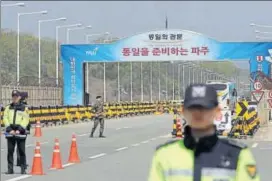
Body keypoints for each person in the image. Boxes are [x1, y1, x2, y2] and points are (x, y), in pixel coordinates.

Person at [148, 83, 260, 181]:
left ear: (217, 112)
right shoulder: (164, 155)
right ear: (183, 112)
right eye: (193, 108)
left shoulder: (238, 155)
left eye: (205, 108)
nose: (198, 113)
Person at [3, 90, 29, 174]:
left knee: (22, 151)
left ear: (19, 97)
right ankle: (10, 169)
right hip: (10, 132)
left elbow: (26, 119)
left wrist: (19, 129)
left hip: (20, 132)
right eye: (13, 97)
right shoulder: (8, 107)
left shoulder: (24, 108)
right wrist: (10, 129)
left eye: (16, 97)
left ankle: (23, 169)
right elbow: (5, 118)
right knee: (10, 151)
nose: (14, 98)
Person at [16, 92, 30, 168]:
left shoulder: (19, 104)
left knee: (19, 145)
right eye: (26, 97)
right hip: (22, 127)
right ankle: (21, 162)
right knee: (21, 145)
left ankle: (19, 161)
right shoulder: (23, 105)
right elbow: (25, 117)